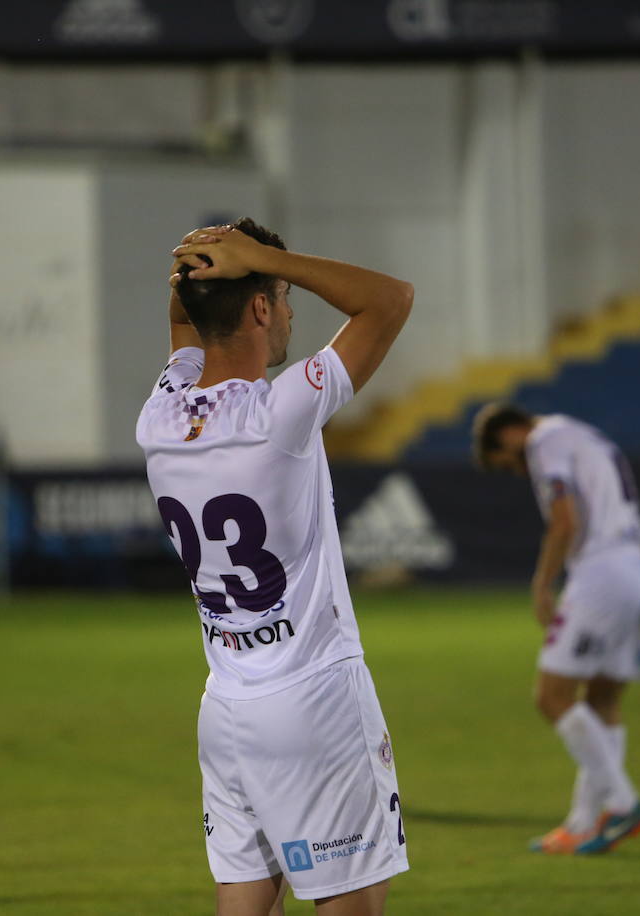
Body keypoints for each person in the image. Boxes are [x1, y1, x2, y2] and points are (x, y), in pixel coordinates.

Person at [137, 218, 413, 916]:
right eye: (283, 295)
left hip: (226, 708)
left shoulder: (161, 416)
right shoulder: (278, 412)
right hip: (314, 703)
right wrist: (258, 256)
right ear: (260, 306)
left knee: (244, 899)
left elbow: (184, 338)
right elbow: (390, 300)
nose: (290, 310)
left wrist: (193, 281)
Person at [472, 404, 640, 855]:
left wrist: (542, 584)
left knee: (551, 696)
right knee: (602, 700)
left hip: (600, 573)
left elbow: (565, 519)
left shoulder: (544, 440)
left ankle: (622, 802)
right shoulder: (582, 431)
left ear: (511, 433)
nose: (519, 470)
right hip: (639, 569)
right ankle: (582, 824)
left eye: (510, 461)